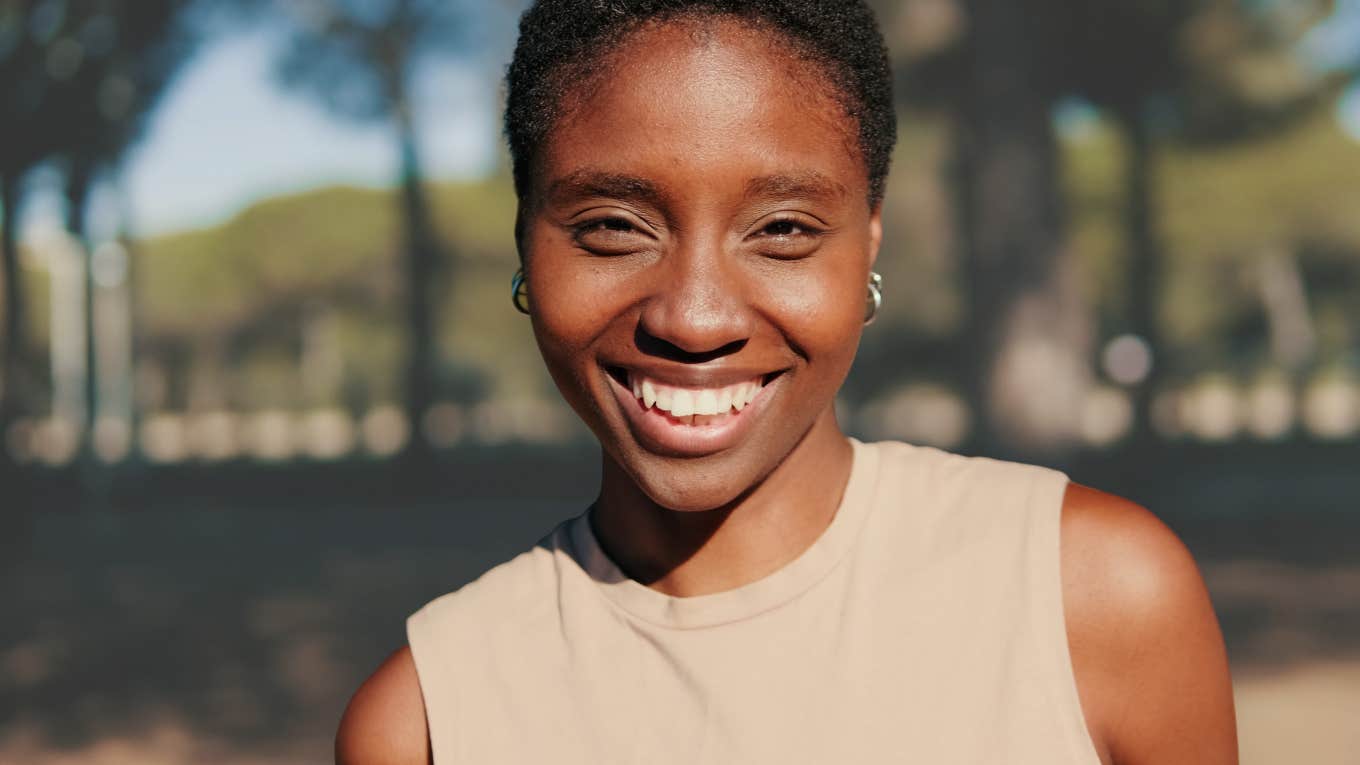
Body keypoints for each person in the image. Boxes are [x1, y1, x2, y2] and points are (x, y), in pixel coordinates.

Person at [335, 1, 1238, 762]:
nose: (693, 318)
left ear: (868, 241)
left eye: (784, 230)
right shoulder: (426, 721)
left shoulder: (1092, 595)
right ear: (528, 235)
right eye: (613, 225)